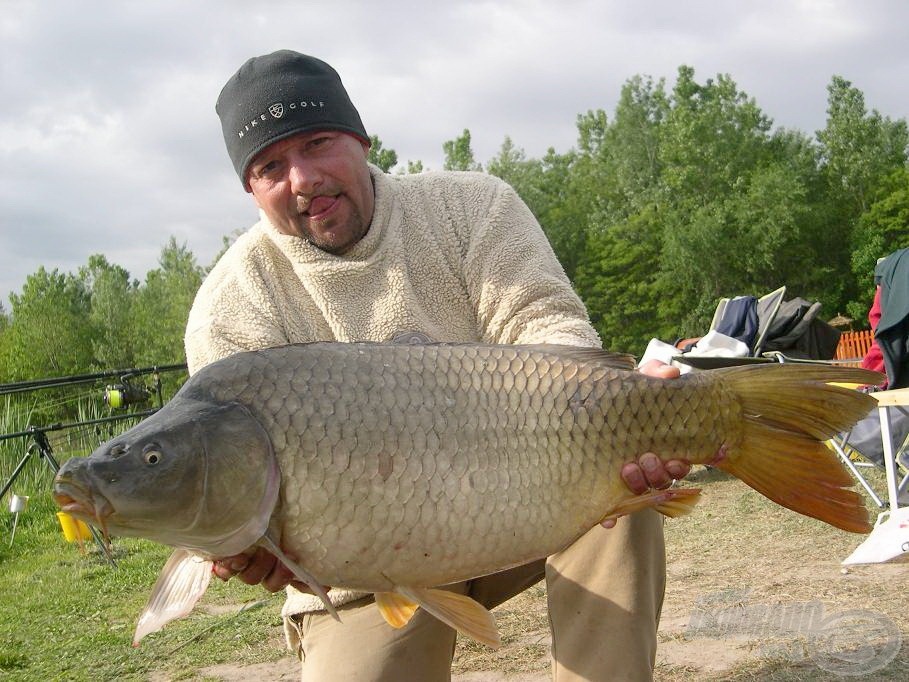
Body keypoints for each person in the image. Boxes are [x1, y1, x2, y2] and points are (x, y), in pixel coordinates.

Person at [185, 50, 691, 682]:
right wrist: (253, 545)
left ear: (361, 140)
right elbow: (233, 473)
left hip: (523, 499)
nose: (303, 177)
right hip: (363, 569)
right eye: (269, 166)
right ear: (250, 189)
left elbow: (546, 326)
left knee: (618, 492)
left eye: (317, 143)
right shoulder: (233, 303)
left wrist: (628, 409)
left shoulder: (471, 207)